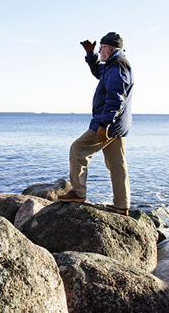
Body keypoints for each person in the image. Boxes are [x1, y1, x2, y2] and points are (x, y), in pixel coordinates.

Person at [58, 32, 134, 216]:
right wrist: (91, 54)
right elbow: (97, 72)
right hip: (119, 124)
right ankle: (121, 205)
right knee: (117, 164)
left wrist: (104, 124)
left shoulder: (117, 66)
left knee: (77, 149)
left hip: (110, 123)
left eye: (100, 48)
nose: (99, 51)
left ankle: (78, 192)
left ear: (109, 48)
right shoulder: (113, 65)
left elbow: (116, 98)